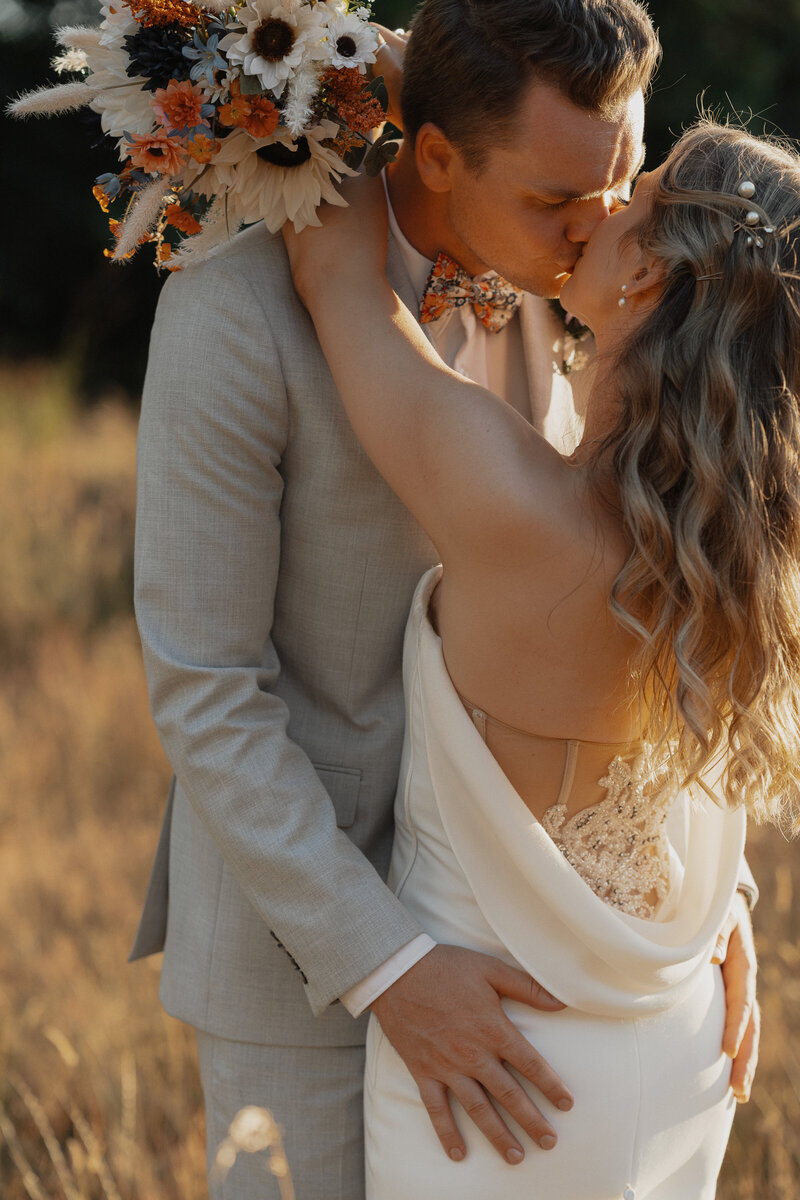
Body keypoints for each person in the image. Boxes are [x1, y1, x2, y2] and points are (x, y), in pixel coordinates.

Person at [130, 0, 759, 1195]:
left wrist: (701, 888)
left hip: (517, 931)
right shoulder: (231, 313)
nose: (600, 226)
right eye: (553, 199)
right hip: (305, 946)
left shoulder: (576, 301)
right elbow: (207, 692)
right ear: (431, 156)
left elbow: (638, 599)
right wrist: (389, 966)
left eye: (617, 180)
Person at [282, 117, 800, 1199]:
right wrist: (730, 909)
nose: (601, 207)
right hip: (682, 1040)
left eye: (636, 194)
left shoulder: (501, 492)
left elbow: (328, 253)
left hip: (497, 1073)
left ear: (646, 270)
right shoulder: (741, 557)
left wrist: (413, 85)